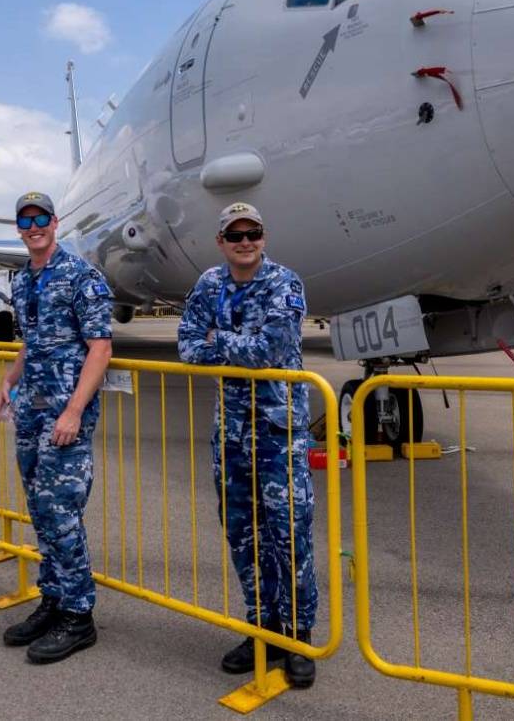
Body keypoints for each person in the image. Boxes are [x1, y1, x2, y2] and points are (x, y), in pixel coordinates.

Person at [177, 202, 317, 688]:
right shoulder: (208, 285)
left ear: (264, 236)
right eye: (234, 235)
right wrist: (229, 342)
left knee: (289, 536)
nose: (244, 241)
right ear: (220, 241)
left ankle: (299, 637)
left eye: (252, 232)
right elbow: (187, 344)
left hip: (280, 434)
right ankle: (264, 628)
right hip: (233, 435)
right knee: (243, 534)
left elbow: (271, 350)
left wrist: (219, 338)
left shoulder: (285, 283)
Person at [0, 192, 112, 664]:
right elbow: (33, 340)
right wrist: (9, 379)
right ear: (19, 229)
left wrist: (74, 412)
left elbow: (99, 348)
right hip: (33, 409)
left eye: (41, 218)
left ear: (55, 223)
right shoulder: (24, 282)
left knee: (61, 510)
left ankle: (79, 615)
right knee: (40, 508)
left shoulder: (82, 276)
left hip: (66, 413)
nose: (34, 226)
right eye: (26, 221)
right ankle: (54, 597)